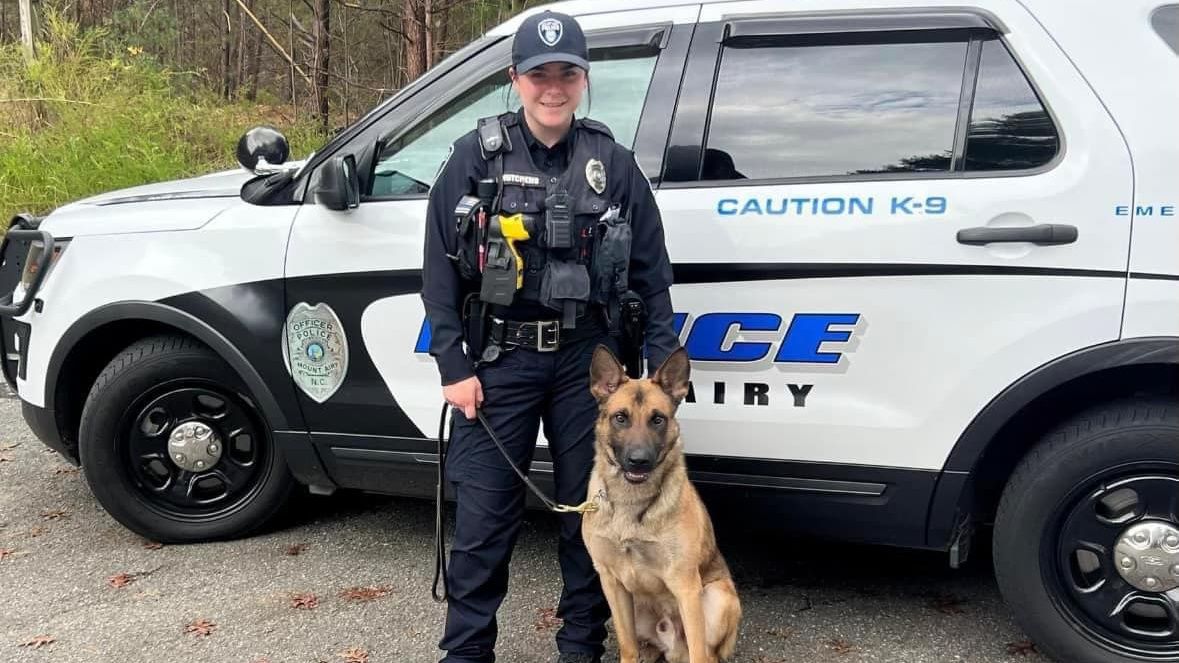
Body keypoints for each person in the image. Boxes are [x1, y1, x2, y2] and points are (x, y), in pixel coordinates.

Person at [419, 9, 681, 663]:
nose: (553, 87)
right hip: (498, 356)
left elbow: (651, 279)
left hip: (586, 365)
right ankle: (466, 651)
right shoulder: (473, 158)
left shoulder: (612, 164)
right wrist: (453, 364)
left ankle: (579, 647)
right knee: (482, 521)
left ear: (583, 80)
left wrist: (654, 376)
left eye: (567, 73)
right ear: (516, 79)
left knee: (586, 514)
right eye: (540, 74)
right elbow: (437, 273)